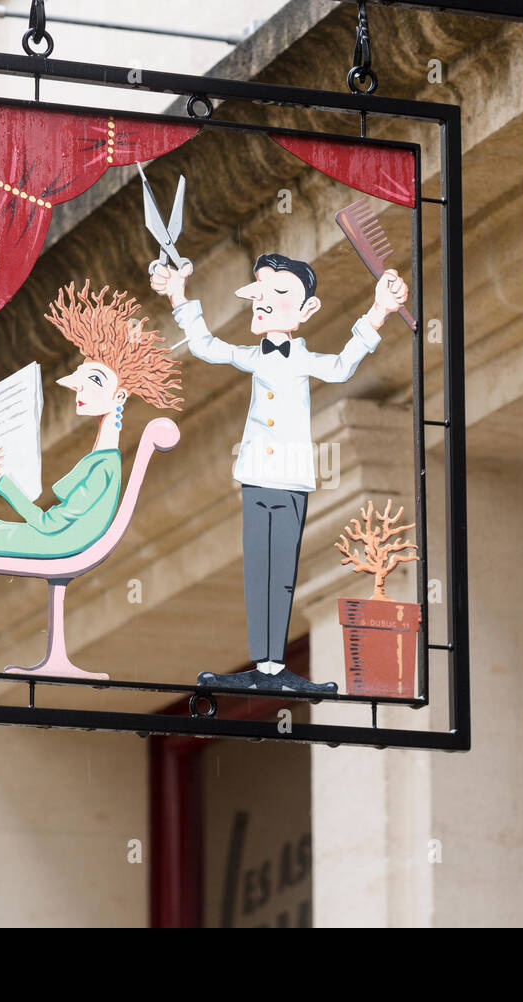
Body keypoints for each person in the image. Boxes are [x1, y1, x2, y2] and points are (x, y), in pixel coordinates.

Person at [151, 252, 408, 693]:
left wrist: (380, 310)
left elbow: (344, 364)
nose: (264, 302)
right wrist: (179, 296)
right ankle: (263, 664)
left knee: (282, 569)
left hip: (290, 479)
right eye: (261, 293)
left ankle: (274, 669)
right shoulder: (254, 355)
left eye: (280, 293)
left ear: (307, 309)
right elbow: (205, 346)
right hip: (255, 475)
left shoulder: (304, 360)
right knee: (258, 568)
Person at [0, 281, 182, 558]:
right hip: (55, 538)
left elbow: (49, 525)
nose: (79, 387)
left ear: (120, 396)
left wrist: (6, 483)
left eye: (96, 380)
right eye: (81, 376)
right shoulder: (101, 461)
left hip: (56, 542)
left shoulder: (102, 469)